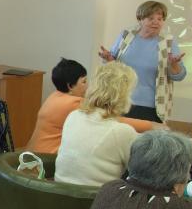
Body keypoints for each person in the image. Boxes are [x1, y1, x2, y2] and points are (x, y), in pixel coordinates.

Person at [26, 58, 157, 154]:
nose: (87, 86)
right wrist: (152, 126)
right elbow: (109, 118)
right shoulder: (72, 104)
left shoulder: (54, 96)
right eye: (84, 82)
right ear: (70, 86)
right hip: (47, 158)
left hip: (34, 152)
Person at [98, 0, 186, 123]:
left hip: (151, 106)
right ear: (140, 19)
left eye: (160, 19)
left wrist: (174, 64)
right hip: (119, 100)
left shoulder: (168, 41)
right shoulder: (127, 35)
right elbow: (113, 66)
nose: (156, 22)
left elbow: (179, 76)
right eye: (151, 18)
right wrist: (108, 59)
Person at [54, 62, 138, 186]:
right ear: (123, 95)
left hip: (58, 192)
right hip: (96, 197)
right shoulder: (122, 132)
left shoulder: (73, 116)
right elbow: (142, 172)